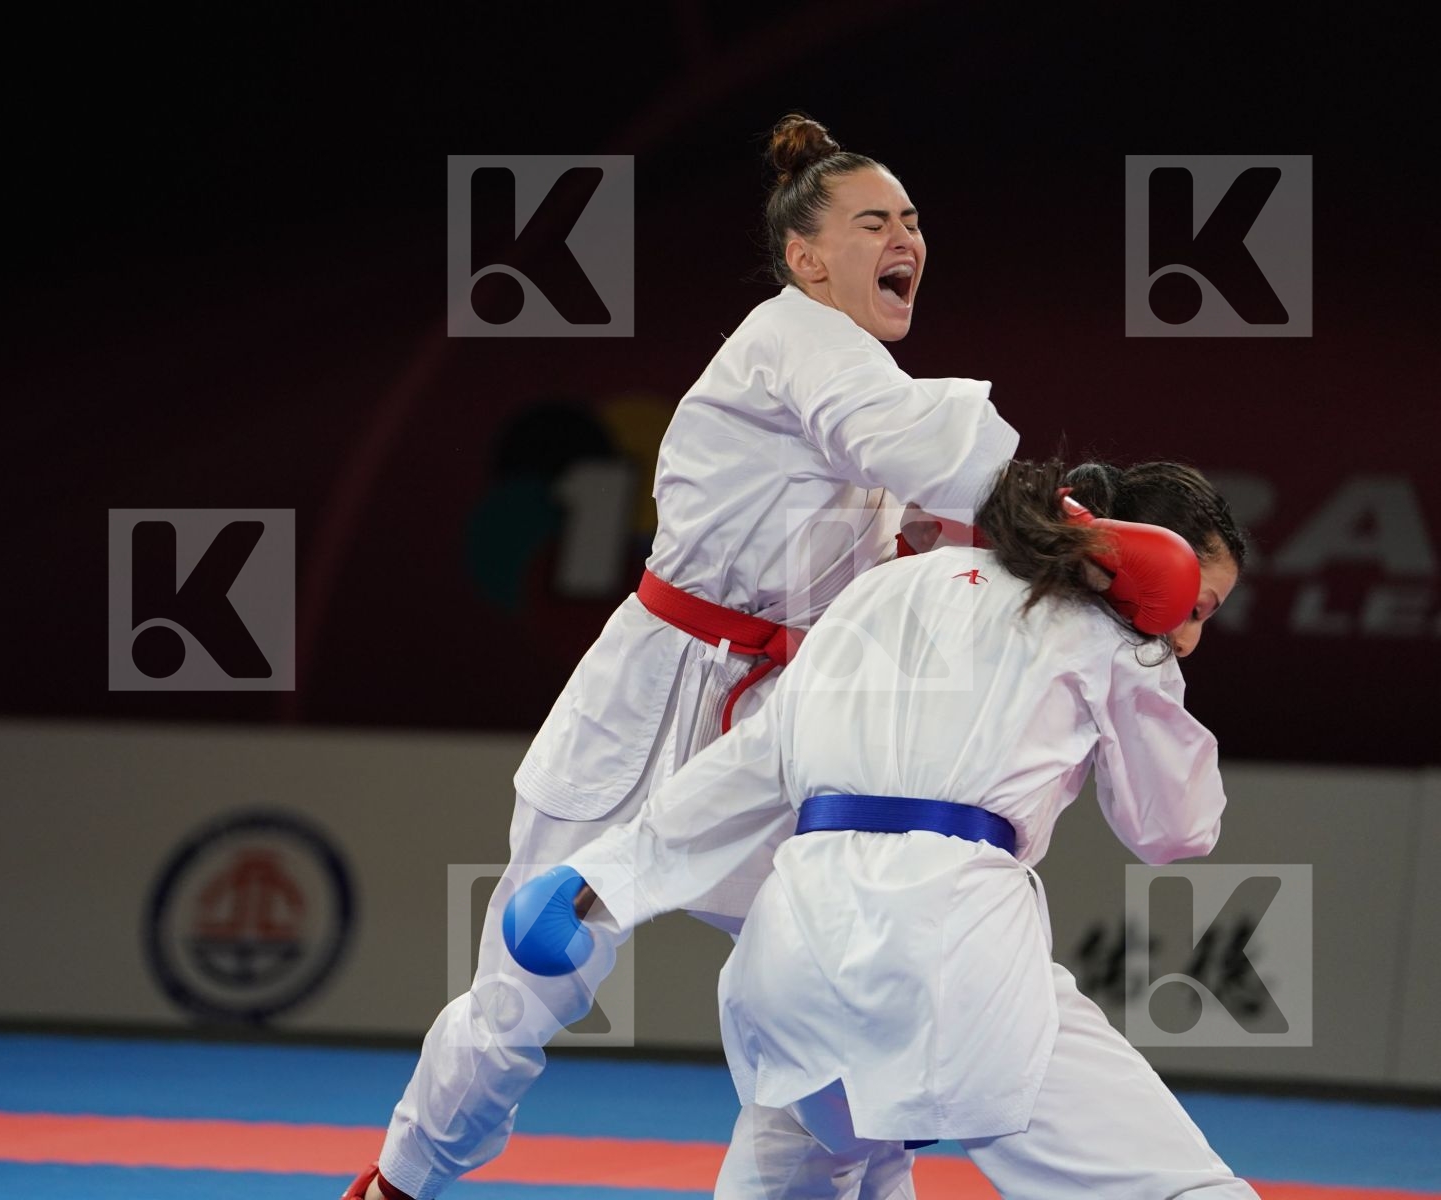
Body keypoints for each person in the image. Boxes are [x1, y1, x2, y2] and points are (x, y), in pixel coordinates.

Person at [342, 113, 1020, 1200]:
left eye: (914, 220)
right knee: (529, 984)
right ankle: (400, 1181)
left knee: (848, 992)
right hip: (653, 687)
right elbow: (924, 450)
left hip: (780, 725)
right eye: (874, 220)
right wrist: (1084, 530)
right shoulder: (793, 337)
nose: (907, 237)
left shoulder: (873, 395)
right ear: (806, 258)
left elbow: (929, 518)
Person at [506, 459, 1257, 1199]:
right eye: (1195, 607)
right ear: (1152, 562)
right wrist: (1153, 665)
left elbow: (749, 763)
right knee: (1179, 1187)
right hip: (953, 952)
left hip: (795, 948)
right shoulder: (1117, 640)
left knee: (809, 1163)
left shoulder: (884, 586)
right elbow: (1177, 833)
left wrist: (599, 877)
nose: (1188, 636)